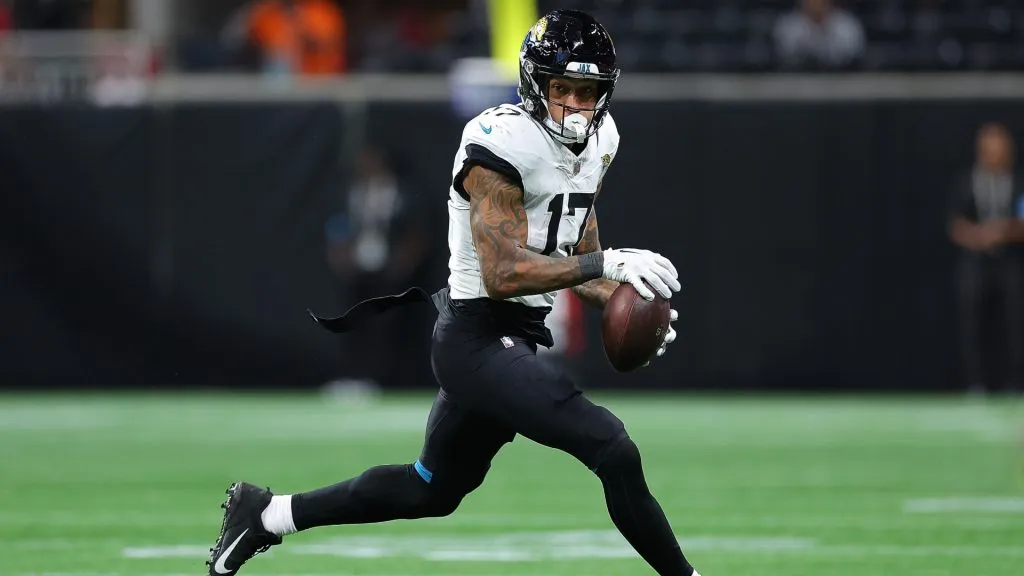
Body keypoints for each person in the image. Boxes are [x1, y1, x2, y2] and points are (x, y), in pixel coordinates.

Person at [206, 9, 698, 576]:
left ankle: (266, 515)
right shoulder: (501, 140)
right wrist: (605, 261)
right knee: (612, 447)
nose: (574, 105)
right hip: (477, 339)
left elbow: (574, 254)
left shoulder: (602, 139)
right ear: (535, 85)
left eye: (588, 92)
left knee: (429, 490)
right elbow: (504, 275)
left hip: (516, 339)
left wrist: (623, 295)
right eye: (562, 88)